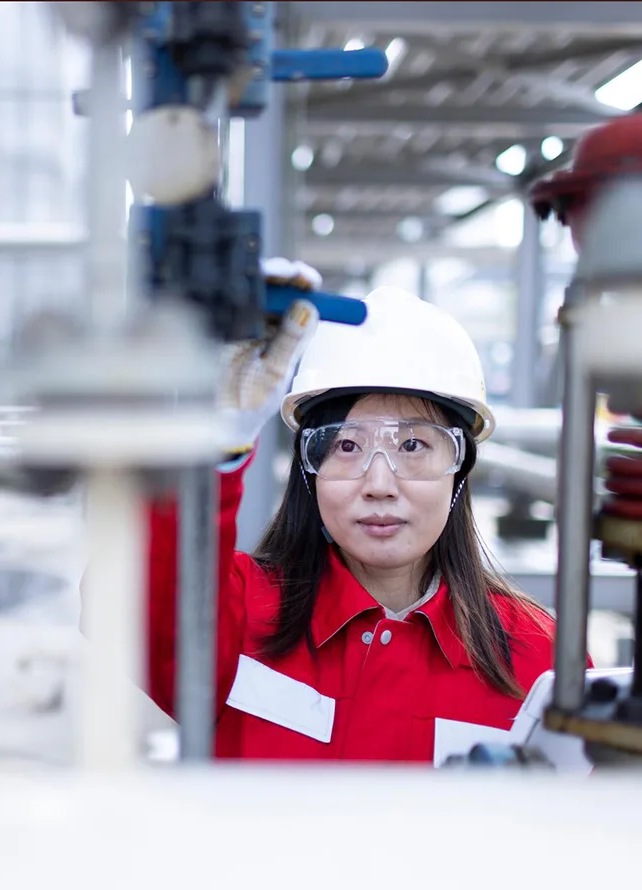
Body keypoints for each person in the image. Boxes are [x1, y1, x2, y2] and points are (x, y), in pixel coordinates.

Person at [144, 267, 559, 763]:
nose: (379, 485)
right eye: (345, 445)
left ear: (460, 468)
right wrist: (209, 444)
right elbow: (130, 599)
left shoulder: (537, 657)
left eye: (412, 445)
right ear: (309, 467)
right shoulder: (237, 615)